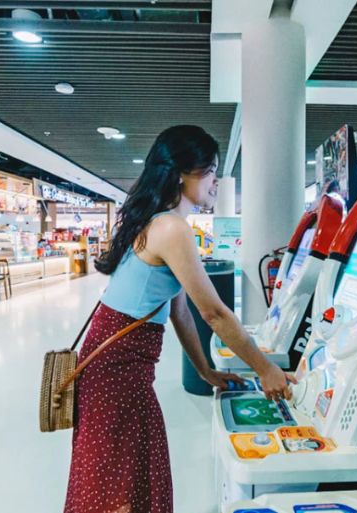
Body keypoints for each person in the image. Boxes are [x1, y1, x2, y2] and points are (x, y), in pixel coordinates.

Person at [64, 125, 295, 513]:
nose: (216, 181)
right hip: (120, 372)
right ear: (181, 173)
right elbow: (213, 312)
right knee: (121, 481)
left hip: (113, 366)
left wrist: (205, 370)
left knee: (118, 473)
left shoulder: (153, 221)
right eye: (211, 170)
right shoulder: (172, 228)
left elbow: (180, 309)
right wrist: (266, 368)